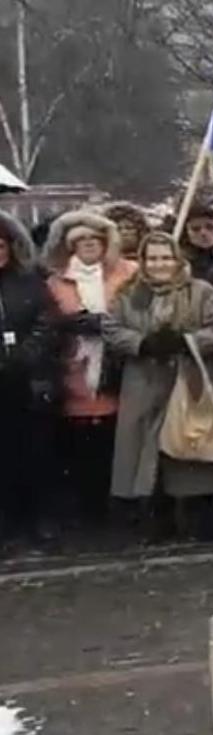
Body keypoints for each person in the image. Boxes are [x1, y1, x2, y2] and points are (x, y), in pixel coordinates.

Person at [106, 233, 213, 541]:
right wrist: (143, 343)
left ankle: (203, 518)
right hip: (146, 382)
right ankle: (157, 519)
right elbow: (112, 328)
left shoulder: (200, 291)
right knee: (148, 452)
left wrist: (186, 342)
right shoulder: (129, 294)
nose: (159, 264)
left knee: (193, 444)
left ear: (177, 259)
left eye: (165, 257)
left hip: (191, 379)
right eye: (152, 258)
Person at [44, 211, 140, 529]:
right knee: (83, 442)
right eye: (80, 240)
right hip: (76, 366)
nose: (88, 244)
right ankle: (90, 510)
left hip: (120, 364)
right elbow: (47, 319)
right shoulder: (56, 281)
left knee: (121, 437)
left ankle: (124, 506)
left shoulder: (129, 273)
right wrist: (70, 323)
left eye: (94, 239)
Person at [0, 210, 58, 542]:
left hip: (27, 381)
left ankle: (40, 518)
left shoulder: (30, 282)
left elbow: (47, 323)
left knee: (34, 451)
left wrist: (24, 355)